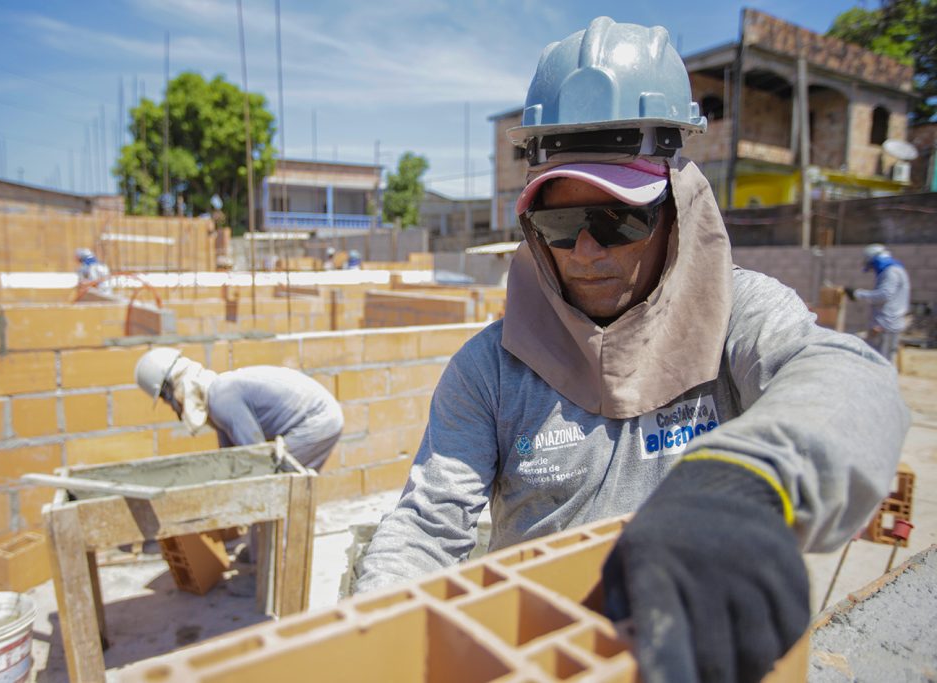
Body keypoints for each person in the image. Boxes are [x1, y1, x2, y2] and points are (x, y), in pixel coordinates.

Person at [356, 17, 908, 683]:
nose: (587, 253)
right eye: (562, 224)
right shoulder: (490, 369)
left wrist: (750, 479)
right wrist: (367, 636)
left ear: (676, 209)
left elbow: (852, 380)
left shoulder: (738, 319)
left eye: (620, 219)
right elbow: (424, 529)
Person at [134, 348, 343, 471]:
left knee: (273, 477)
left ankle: (278, 545)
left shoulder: (221, 399)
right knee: (271, 479)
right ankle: (265, 544)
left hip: (317, 421)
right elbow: (231, 457)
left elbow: (254, 456)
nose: (172, 408)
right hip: (319, 417)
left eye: (166, 400)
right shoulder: (215, 397)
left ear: (172, 390)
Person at [845, 243, 910, 362]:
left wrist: (857, 294)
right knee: (884, 359)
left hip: (886, 323)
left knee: (881, 360)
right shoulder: (895, 270)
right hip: (888, 322)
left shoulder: (891, 272)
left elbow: (884, 295)